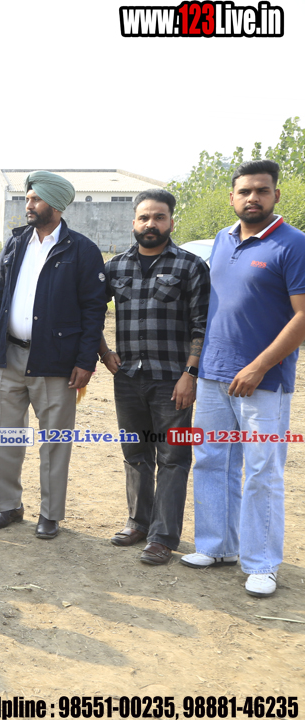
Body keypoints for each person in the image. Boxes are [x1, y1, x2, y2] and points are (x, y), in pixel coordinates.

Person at [183, 160, 305, 597]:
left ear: (276, 195)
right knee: (212, 460)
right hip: (214, 375)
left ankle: (261, 564)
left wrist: (259, 366)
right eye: (245, 191)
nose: (253, 197)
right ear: (232, 197)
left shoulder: (294, 244)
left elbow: (303, 317)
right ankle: (217, 547)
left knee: (261, 471)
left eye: (262, 190)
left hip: (263, 382)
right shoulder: (222, 239)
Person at [0, 171, 106, 539]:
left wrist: (85, 361)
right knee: (4, 436)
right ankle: (8, 505)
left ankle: (50, 514)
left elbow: (94, 311)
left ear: (56, 204)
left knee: (55, 441)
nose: (28, 204)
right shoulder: (16, 243)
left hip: (56, 361)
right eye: (28, 198)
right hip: (10, 357)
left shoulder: (81, 251)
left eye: (35, 199)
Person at [100, 189, 209, 565]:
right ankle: (138, 523)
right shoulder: (115, 267)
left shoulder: (190, 266)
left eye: (159, 217)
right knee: (135, 452)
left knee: (174, 457)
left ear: (171, 222)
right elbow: (90, 311)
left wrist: (190, 373)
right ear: (134, 222)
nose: (151, 224)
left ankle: (163, 537)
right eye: (144, 217)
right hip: (128, 377)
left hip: (172, 381)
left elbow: (202, 324)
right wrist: (103, 351)